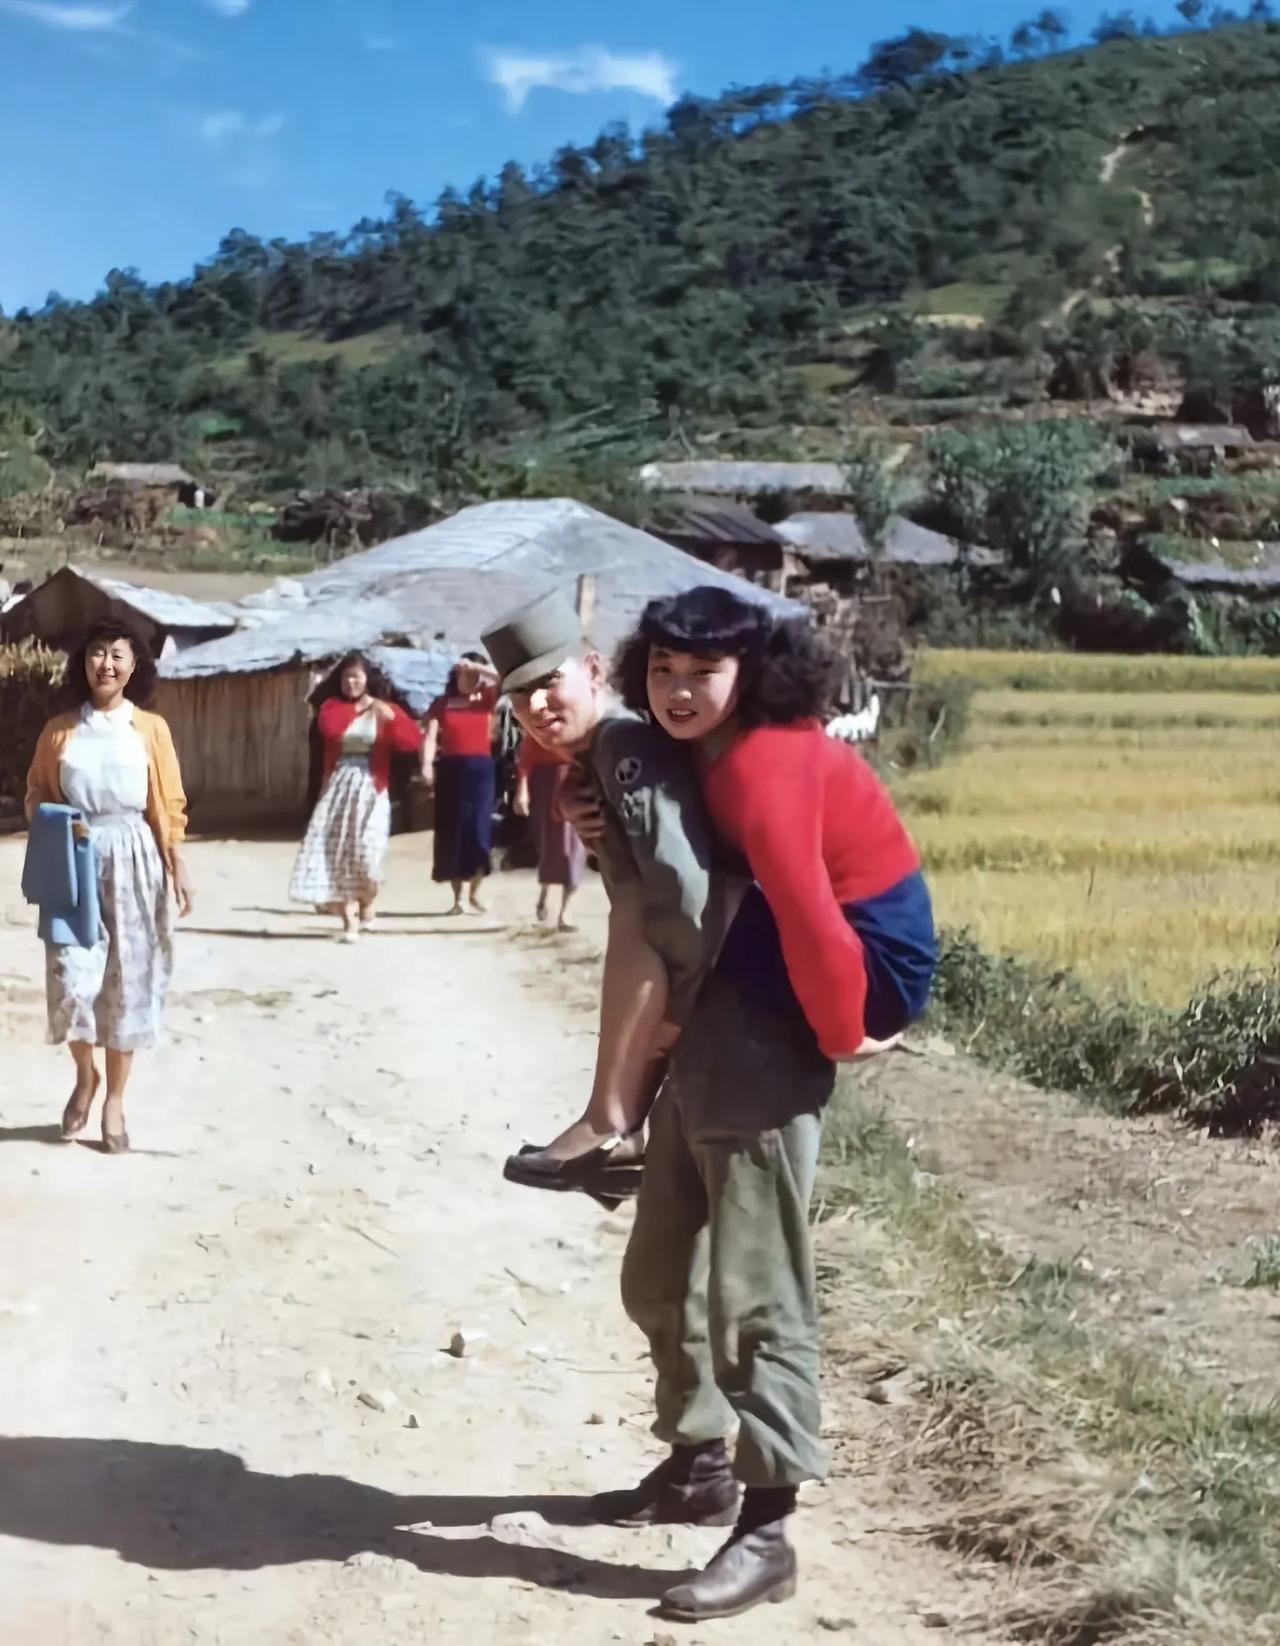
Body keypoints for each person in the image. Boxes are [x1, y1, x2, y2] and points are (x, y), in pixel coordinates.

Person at [482, 590, 739, 1197]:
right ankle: (615, 1134)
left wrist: (682, 1009)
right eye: (520, 695)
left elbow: (680, 888)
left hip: (706, 983)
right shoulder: (598, 754)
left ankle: (609, 1125)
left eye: (549, 681)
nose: (536, 705)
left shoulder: (621, 747)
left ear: (593, 670)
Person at [24, 618, 194, 1154]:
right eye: (96, 653)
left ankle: (115, 1099)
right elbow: (35, 795)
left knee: (128, 984)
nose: (106, 664)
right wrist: (57, 820)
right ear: (83, 663)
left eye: (118, 655)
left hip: (136, 859)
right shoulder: (58, 730)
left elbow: (168, 803)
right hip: (74, 862)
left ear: (134, 666)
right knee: (72, 982)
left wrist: (177, 863)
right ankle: (85, 1074)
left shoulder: (151, 728)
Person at [289, 652, 423, 942]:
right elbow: (330, 730)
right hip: (340, 785)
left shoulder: (385, 709)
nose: (351, 682)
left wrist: (390, 718)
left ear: (368, 680)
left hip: (373, 787)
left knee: (367, 851)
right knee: (341, 854)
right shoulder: (332, 708)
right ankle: (349, 923)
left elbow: (411, 741)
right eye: (346, 677)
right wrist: (360, 711)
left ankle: (368, 902)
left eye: (357, 677)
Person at [422, 652, 500, 915]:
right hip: (451, 771)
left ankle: (475, 891)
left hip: (481, 772)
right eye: (462, 674)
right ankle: (459, 899)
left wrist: (477, 665)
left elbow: (506, 678)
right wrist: (426, 764)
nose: (467, 679)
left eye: (473, 675)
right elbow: (431, 736)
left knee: (479, 834)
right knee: (453, 833)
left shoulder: (487, 700)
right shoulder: (442, 703)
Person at [513, 734, 586, 930]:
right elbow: (526, 758)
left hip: (577, 779)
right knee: (549, 845)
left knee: (574, 849)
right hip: (545, 783)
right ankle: (544, 892)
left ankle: (565, 913)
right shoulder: (539, 724)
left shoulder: (582, 720)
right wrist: (522, 790)